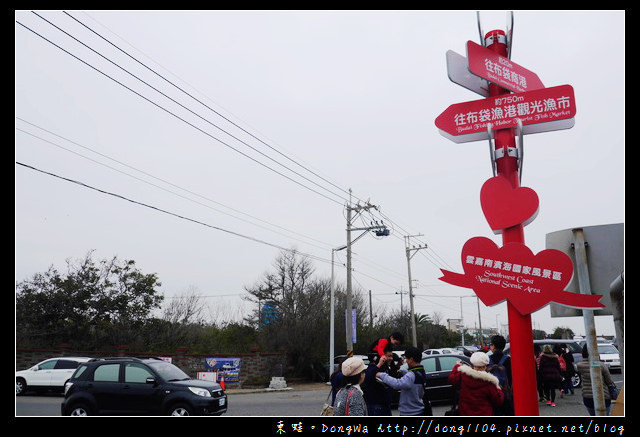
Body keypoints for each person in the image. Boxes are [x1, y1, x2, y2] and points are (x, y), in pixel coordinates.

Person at [448, 351, 504, 416]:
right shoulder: (489, 382)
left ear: (472, 365)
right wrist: (499, 389)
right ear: (485, 366)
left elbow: (451, 379)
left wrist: (457, 366)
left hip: (465, 413)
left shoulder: (463, 375)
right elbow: (499, 401)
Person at [375, 346, 427, 416]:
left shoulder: (411, 375)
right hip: (419, 410)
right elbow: (411, 381)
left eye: (407, 359)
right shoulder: (421, 372)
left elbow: (397, 384)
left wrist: (382, 375)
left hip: (410, 412)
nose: (406, 361)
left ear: (411, 359)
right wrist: (403, 371)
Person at [576, 344, 615, 415]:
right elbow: (609, 381)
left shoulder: (579, 366)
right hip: (603, 395)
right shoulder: (601, 365)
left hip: (587, 397)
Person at [362, 346, 398, 415]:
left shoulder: (386, 367)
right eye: (389, 356)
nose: (391, 358)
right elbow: (367, 378)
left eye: (392, 356)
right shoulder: (374, 366)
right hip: (375, 406)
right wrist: (379, 364)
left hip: (385, 404)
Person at [488, 335, 513, 415]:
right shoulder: (508, 360)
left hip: (491, 396)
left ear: (494, 347)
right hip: (506, 395)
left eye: (491, 344)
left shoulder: (487, 360)